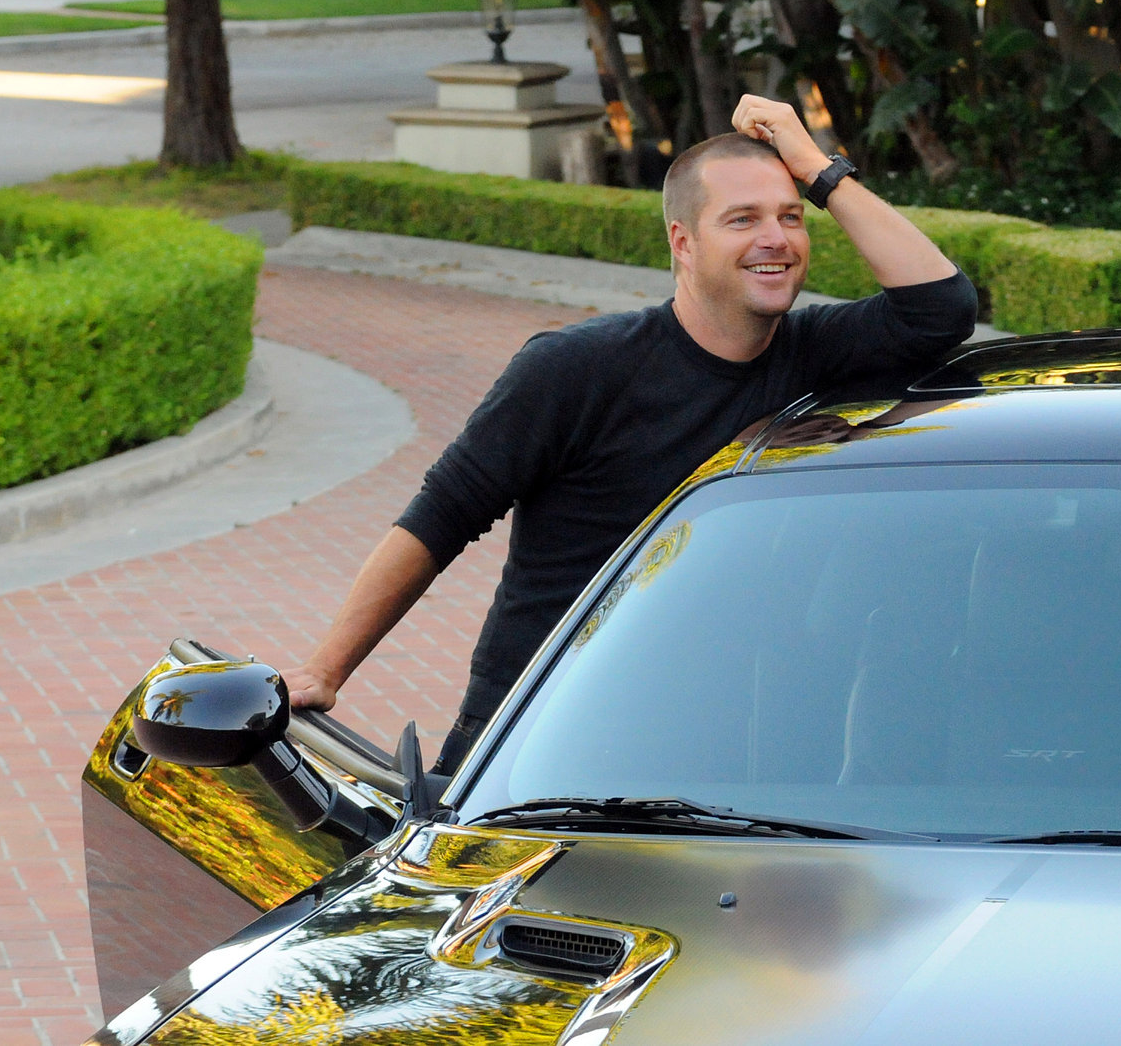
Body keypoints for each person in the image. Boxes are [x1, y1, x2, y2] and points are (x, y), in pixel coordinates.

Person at [282, 94, 979, 772]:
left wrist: (817, 167)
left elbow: (941, 308)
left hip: (712, 744)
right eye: (742, 219)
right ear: (683, 242)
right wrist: (324, 671)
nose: (775, 238)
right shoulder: (576, 368)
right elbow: (440, 517)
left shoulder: (814, 354)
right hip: (541, 733)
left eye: (790, 217)